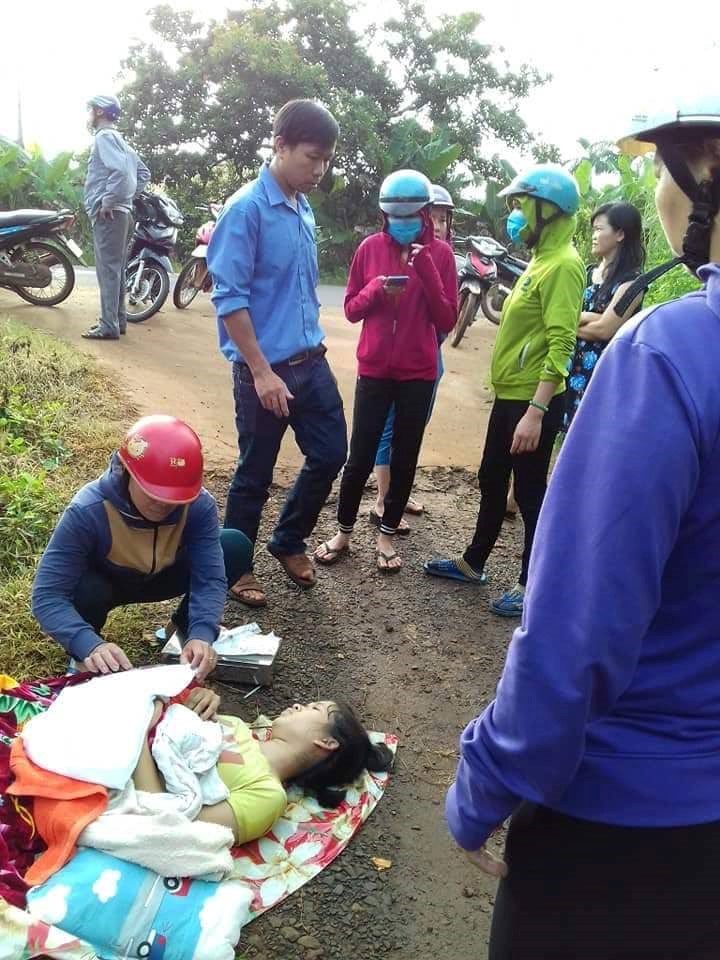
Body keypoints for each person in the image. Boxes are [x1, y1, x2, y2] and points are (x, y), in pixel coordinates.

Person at [446, 97, 720, 960]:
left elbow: (576, 628)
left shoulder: (674, 352)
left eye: (660, 169)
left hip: (630, 831)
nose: (653, 193)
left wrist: (487, 784)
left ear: (706, 172)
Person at [424, 164, 585, 617]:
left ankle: (531, 582)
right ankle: (474, 561)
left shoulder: (564, 266)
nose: (514, 215)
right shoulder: (540, 259)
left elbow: (562, 342)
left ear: (547, 210)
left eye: (521, 206)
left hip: (533, 399)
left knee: (531, 492)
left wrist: (537, 410)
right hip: (512, 392)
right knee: (492, 476)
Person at [207, 100, 346, 607]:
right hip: (264, 373)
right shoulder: (246, 210)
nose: (319, 170)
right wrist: (262, 372)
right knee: (255, 474)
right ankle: (235, 569)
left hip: (312, 363)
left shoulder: (301, 205)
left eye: (326, 160)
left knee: (332, 453)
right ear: (280, 145)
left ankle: (287, 539)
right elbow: (229, 300)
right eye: (312, 157)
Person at [31, 415, 253, 681]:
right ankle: (85, 659)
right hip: (107, 583)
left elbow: (210, 577)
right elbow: (48, 595)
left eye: (175, 498)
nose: (163, 505)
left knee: (234, 546)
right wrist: (87, 643)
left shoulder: (197, 505)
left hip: (164, 575)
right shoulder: (87, 510)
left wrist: (202, 632)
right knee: (85, 589)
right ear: (127, 472)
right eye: (153, 494)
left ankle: (182, 635)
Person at [314, 170, 457, 573]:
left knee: (405, 456)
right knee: (359, 455)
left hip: (418, 372)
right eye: (396, 216)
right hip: (375, 368)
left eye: (412, 215)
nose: (404, 223)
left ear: (426, 214)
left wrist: (425, 269)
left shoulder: (442, 255)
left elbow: (446, 317)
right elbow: (350, 308)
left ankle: (387, 534)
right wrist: (376, 288)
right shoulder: (369, 248)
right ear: (384, 215)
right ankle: (343, 531)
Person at [133, 693, 393, 843]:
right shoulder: (237, 726)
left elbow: (166, 824)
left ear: (327, 742)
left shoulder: (266, 796)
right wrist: (197, 695)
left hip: (121, 769)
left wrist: (136, 735)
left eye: (314, 708)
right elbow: (173, 720)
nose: (298, 705)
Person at [371, 184, 454, 532]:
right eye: (429, 217)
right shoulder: (391, 253)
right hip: (397, 360)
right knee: (389, 427)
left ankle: (397, 494)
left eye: (441, 218)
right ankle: (382, 500)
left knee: (412, 428)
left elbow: (448, 313)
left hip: (430, 356)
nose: (436, 224)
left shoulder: (444, 255)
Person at [563, 201, 645, 429]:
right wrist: (591, 317)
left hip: (600, 376)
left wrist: (571, 321)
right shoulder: (588, 273)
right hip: (567, 368)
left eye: (600, 229)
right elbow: (589, 320)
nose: (594, 235)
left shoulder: (632, 283)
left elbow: (604, 330)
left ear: (620, 234)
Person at [82, 94, 151, 341]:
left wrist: (109, 201)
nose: (89, 114)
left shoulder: (104, 137)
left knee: (108, 270)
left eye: (91, 109)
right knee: (117, 269)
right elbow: (143, 173)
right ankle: (117, 321)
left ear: (100, 112)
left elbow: (121, 171)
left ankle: (108, 325)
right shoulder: (122, 141)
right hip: (122, 213)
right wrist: (126, 198)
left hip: (110, 215)